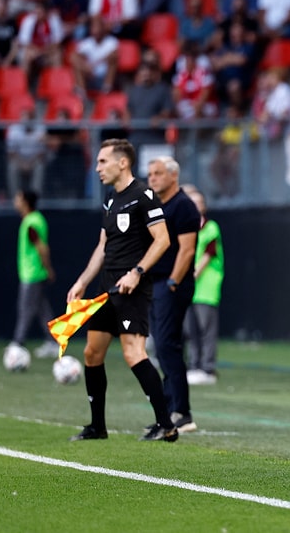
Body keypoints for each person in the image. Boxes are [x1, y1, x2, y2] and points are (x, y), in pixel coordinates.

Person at [66, 138, 177, 442]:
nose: (98, 167)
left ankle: (166, 424)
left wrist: (137, 272)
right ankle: (97, 427)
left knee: (133, 353)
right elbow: (103, 245)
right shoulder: (110, 199)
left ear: (122, 162)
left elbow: (163, 239)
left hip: (132, 288)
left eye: (103, 162)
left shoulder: (143, 195)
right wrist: (82, 281)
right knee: (92, 353)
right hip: (106, 287)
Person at [146, 156, 201, 433]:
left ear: (173, 176)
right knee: (162, 346)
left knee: (168, 345)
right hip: (156, 284)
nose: (152, 178)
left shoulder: (183, 206)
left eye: (157, 173)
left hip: (171, 285)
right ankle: (168, 408)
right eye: (150, 174)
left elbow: (188, 249)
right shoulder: (158, 206)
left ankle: (182, 410)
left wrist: (172, 282)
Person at [10, 189, 59, 358]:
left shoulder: (32, 222)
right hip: (32, 272)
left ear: (24, 201)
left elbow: (42, 248)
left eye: (17, 198)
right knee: (42, 309)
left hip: (32, 273)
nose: (15, 202)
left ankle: (17, 343)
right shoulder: (34, 219)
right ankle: (53, 342)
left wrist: (48, 268)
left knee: (25, 309)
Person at [185, 190, 224, 385]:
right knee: (190, 330)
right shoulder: (184, 227)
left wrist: (191, 275)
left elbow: (208, 254)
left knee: (206, 329)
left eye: (199, 202)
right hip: (189, 289)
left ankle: (208, 368)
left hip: (205, 287)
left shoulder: (210, 228)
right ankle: (194, 366)